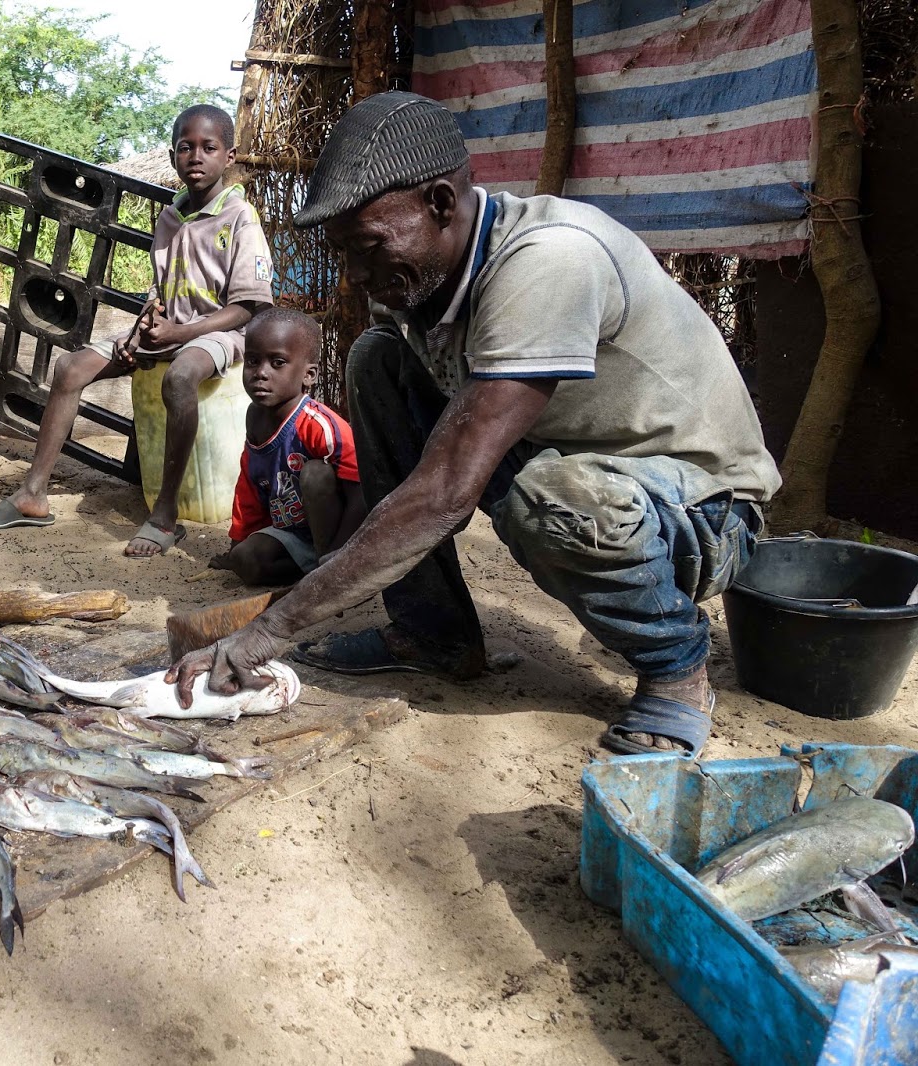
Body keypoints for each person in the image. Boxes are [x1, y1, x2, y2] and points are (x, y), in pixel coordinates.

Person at [168, 91, 780, 759]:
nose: (357, 274)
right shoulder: (420, 280)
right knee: (378, 361)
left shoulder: (549, 261)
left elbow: (447, 489)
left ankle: (675, 666)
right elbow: (425, 471)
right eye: (345, 252)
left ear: (439, 204)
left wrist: (271, 628)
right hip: (575, 464)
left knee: (552, 501)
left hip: (703, 510)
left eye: (368, 246)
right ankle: (433, 634)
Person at [0, 104, 275, 557]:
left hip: (219, 333)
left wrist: (179, 336)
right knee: (71, 367)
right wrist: (144, 329)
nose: (196, 156)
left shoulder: (239, 218)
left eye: (209, 148)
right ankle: (32, 493)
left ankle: (165, 515)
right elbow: (160, 289)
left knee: (179, 377)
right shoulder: (171, 217)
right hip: (165, 328)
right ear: (173, 156)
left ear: (229, 156)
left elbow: (248, 307)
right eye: (186, 148)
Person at [211, 308, 365, 586]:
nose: (261, 373)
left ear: (309, 375)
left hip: (339, 532)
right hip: (290, 533)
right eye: (253, 361)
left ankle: (331, 570)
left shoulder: (319, 425)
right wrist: (237, 543)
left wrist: (339, 554)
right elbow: (250, 481)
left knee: (315, 475)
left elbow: (362, 490)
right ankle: (310, 574)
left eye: (277, 362)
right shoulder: (254, 417)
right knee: (245, 561)